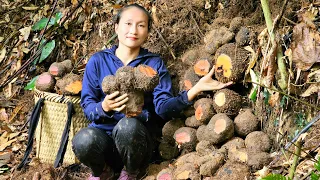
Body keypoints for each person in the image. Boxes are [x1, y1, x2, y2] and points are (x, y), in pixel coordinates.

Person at [72, 3, 232, 180]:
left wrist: (195, 89)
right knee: (83, 139)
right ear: (117, 27)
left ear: (147, 33)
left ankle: (132, 172)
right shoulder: (98, 61)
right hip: (104, 143)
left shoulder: (154, 64)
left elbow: (163, 108)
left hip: (136, 144)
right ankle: (102, 172)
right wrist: (104, 106)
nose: (134, 30)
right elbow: (87, 106)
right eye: (128, 24)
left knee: (127, 126)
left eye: (141, 25)